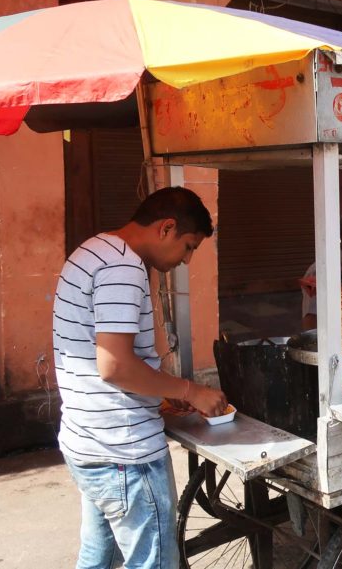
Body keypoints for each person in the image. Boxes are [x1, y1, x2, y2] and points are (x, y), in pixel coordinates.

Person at [53, 186, 227, 569]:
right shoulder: (123, 267)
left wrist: (161, 394)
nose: (187, 259)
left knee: (98, 557)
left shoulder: (93, 249)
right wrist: (190, 390)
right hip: (124, 454)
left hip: (87, 442)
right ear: (166, 228)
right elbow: (115, 365)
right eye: (189, 246)